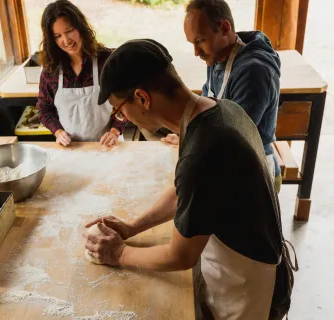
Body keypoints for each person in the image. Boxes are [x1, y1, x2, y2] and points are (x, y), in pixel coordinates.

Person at [83, 39, 298, 319]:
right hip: (245, 260)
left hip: (247, 284)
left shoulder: (205, 149)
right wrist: (132, 227)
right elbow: (183, 191)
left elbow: (180, 256)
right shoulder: (216, 110)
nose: (122, 117)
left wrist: (118, 254)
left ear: (142, 98)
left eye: (118, 109)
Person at [162, 0, 282, 191]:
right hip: (231, 158)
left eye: (200, 40)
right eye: (192, 43)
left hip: (255, 171)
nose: (195, 52)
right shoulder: (218, 56)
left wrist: (193, 144)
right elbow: (206, 104)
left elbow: (234, 137)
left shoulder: (253, 71)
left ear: (225, 28)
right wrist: (189, 136)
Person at [36, 0, 126, 146]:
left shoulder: (107, 61)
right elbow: (44, 109)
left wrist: (115, 131)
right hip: (71, 148)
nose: (66, 40)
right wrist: (58, 132)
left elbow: (125, 102)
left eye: (69, 31)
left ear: (80, 27)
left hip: (108, 145)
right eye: (57, 36)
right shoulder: (51, 69)